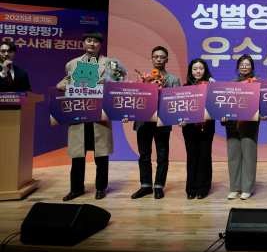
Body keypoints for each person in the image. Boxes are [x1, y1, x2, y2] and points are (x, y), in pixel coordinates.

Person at [58, 31, 121, 201]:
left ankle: (101, 187)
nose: (92, 44)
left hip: (99, 115)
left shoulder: (111, 63)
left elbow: (120, 81)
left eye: (95, 41)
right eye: (89, 40)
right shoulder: (72, 64)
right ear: (83, 43)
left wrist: (106, 82)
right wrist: (62, 85)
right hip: (79, 115)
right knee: (78, 155)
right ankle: (76, 189)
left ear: (100, 44)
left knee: (101, 155)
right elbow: (66, 80)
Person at [130, 46, 181, 200]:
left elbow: (177, 101)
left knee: (162, 155)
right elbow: (135, 99)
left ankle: (159, 186)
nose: (159, 59)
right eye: (156, 57)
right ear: (151, 59)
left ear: (167, 60)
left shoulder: (173, 80)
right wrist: (127, 113)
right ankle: (145, 185)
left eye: (162, 57)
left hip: (162, 122)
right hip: (143, 121)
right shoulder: (143, 78)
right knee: (144, 155)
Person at [225, 54, 260, 200]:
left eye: (247, 64)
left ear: (252, 67)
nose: (244, 67)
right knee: (233, 157)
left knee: (249, 157)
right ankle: (234, 188)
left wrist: (262, 113)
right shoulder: (230, 84)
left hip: (249, 125)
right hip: (232, 125)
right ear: (238, 67)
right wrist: (223, 115)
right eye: (242, 64)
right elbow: (224, 104)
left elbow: (262, 104)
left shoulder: (257, 83)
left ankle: (247, 188)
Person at [182, 58, 215, 199]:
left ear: (205, 70)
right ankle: (191, 188)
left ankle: (203, 187)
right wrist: (180, 119)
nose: (198, 71)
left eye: (201, 68)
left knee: (205, 156)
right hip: (189, 128)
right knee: (192, 156)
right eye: (195, 69)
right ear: (190, 71)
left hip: (207, 127)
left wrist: (214, 87)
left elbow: (216, 105)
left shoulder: (211, 86)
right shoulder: (185, 87)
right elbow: (181, 108)